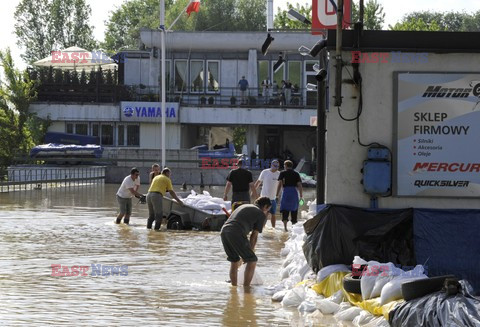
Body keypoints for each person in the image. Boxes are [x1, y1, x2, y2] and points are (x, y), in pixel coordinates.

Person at [220, 197, 272, 286]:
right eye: (268, 210)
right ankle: (246, 289)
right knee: (252, 260)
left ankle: (234, 288)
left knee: (234, 260)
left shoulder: (245, 206)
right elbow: (254, 236)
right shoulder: (260, 214)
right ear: (265, 206)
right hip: (236, 231)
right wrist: (249, 254)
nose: (267, 212)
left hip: (224, 231)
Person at [276, 160, 303, 232]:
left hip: (286, 193)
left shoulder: (282, 173)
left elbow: (279, 184)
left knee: (285, 209)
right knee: (294, 209)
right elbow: (300, 185)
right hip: (294, 193)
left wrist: (277, 195)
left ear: (286, 165)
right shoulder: (296, 173)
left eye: (284, 165)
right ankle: (294, 228)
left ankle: (285, 228)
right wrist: (301, 196)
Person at [254, 159, 280, 228]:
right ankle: (262, 228)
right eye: (275, 166)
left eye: (277, 166)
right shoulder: (265, 172)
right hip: (264, 198)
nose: (276, 167)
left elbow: (281, 185)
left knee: (273, 214)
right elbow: (258, 182)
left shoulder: (279, 174)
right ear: (271, 165)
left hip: (273, 198)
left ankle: (273, 228)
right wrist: (253, 190)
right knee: (264, 214)